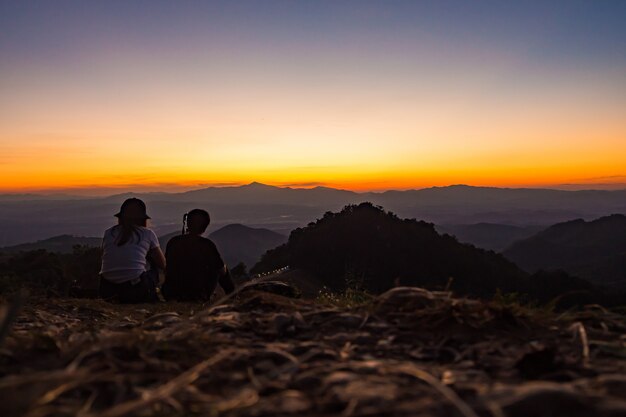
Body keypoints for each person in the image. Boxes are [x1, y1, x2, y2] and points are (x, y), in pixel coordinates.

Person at [99, 198, 166, 303]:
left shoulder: (108, 233)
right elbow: (162, 264)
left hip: (107, 289)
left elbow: (103, 257)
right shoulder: (147, 233)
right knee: (153, 263)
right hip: (135, 289)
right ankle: (153, 294)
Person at [162, 209, 235, 301]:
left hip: (171, 293)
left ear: (187, 223)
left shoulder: (173, 242)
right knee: (221, 267)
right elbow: (221, 270)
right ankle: (232, 295)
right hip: (198, 295)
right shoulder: (207, 245)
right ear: (205, 227)